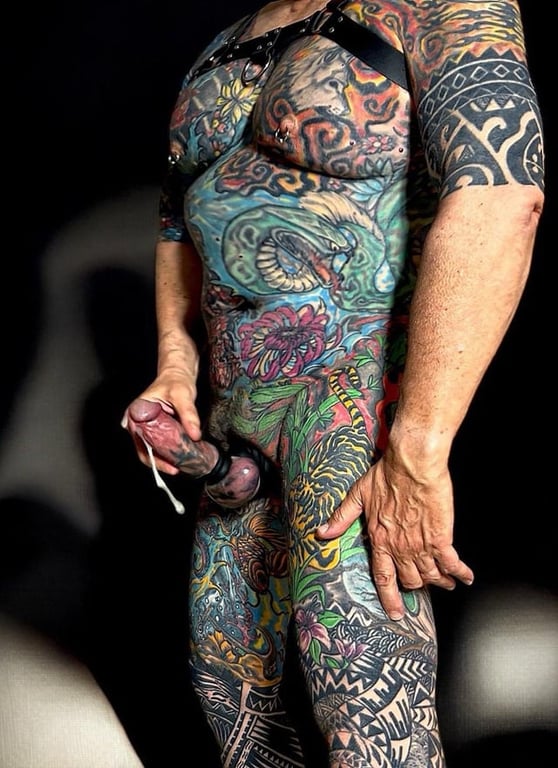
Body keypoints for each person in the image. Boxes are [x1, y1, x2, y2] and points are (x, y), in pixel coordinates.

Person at [122, 1, 545, 765]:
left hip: (350, 426)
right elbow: (176, 220)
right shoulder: (228, 40)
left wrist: (417, 450)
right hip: (235, 429)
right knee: (234, 704)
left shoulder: (439, 5)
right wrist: (175, 362)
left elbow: (501, 197)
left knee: (368, 720)